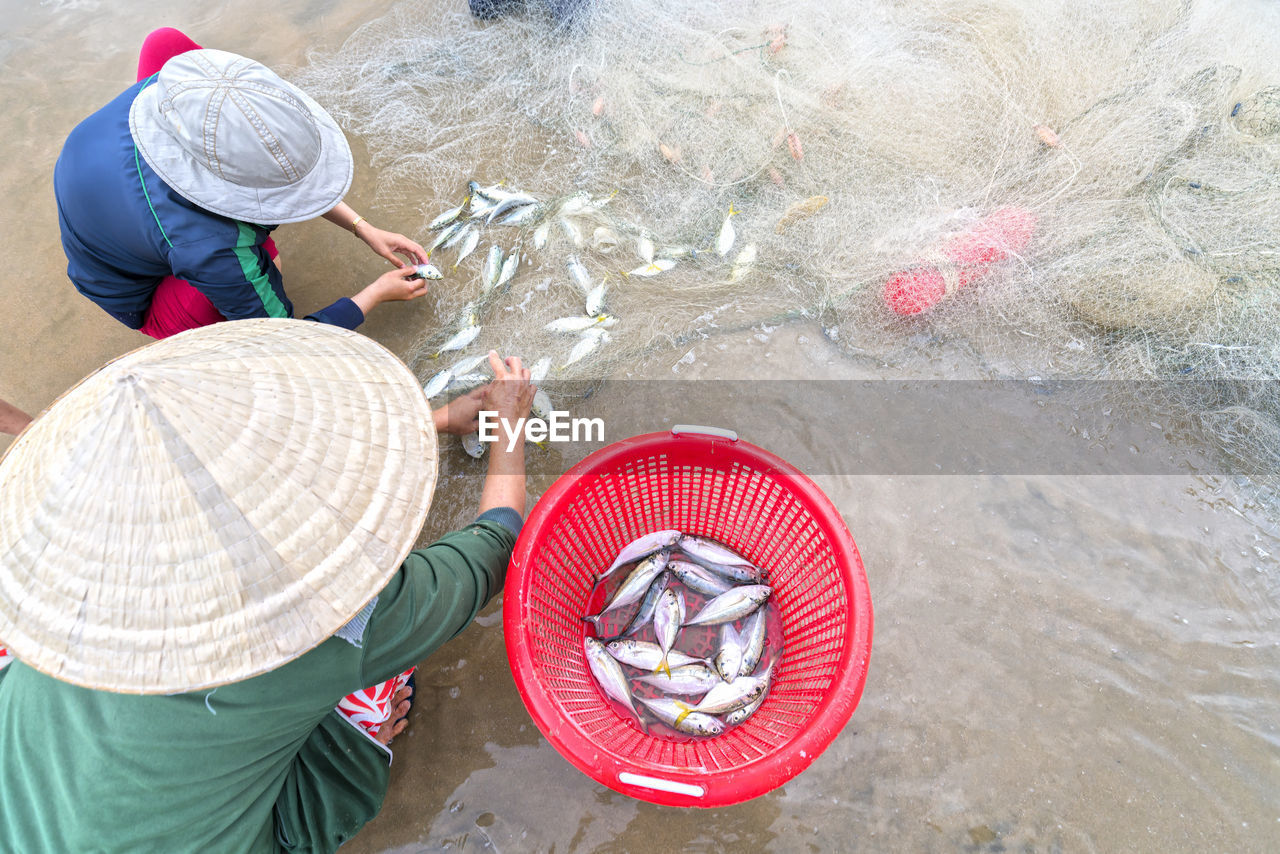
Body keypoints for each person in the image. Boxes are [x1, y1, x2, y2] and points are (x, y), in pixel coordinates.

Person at [0, 320, 535, 852]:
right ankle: (350, 746)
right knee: (373, 681)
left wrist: (435, 421)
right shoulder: (328, 615)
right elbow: (494, 545)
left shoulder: (52, 594)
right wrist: (510, 422)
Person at [55, 28, 431, 339]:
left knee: (164, 43)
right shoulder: (210, 249)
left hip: (111, 193)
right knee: (263, 258)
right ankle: (187, 318)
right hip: (135, 292)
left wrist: (362, 227)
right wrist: (373, 295)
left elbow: (277, 164)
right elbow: (284, 341)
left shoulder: (175, 85)